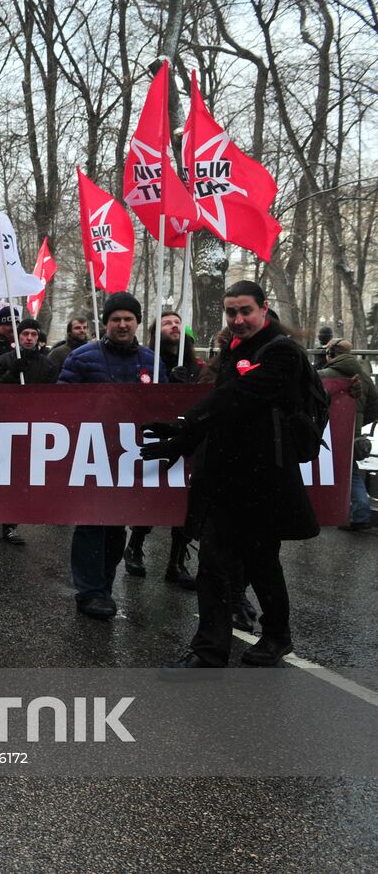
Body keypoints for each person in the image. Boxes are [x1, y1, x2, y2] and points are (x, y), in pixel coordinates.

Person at [145, 282, 319, 669]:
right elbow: (224, 409)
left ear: (264, 309)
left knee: (261, 564)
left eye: (245, 311)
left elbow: (238, 398)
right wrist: (181, 441)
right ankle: (210, 648)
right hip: (224, 478)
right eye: (230, 313)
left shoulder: (282, 352)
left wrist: (185, 420)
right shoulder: (233, 350)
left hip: (264, 481)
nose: (237, 320)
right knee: (214, 564)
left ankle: (276, 637)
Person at [57, 291, 160, 620]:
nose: (122, 324)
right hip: (90, 455)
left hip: (129, 459)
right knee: (90, 526)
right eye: (116, 319)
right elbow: (60, 403)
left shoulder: (150, 361)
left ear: (137, 323)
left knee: (116, 529)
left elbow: (162, 406)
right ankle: (89, 592)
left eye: (128, 319)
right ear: (105, 323)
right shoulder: (82, 358)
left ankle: (105, 585)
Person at [122, 310, 203, 587]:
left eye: (178, 322)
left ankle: (176, 561)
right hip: (156, 436)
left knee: (185, 501)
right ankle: (134, 546)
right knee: (151, 492)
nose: (174, 326)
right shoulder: (148, 362)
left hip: (187, 439)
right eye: (167, 323)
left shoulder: (196, 366)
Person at [0, 317, 55, 547]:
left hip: (32, 426)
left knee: (19, 477)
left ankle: (11, 525)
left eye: (33, 335)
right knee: (0, 474)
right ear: (18, 337)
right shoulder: (5, 360)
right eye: (25, 334)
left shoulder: (47, 365)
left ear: (38, 338)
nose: (28, 338)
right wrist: (11, 374)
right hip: (4, 426)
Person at [319, 339, 378, 530]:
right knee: (350, 472)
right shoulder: (364, 376)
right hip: (352, 433)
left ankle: (320, 511)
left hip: (326, 433)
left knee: (318, 471)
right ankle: (359, 514)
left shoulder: (324, 375)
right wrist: (358, 422)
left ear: (331, 354)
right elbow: (375, 406)